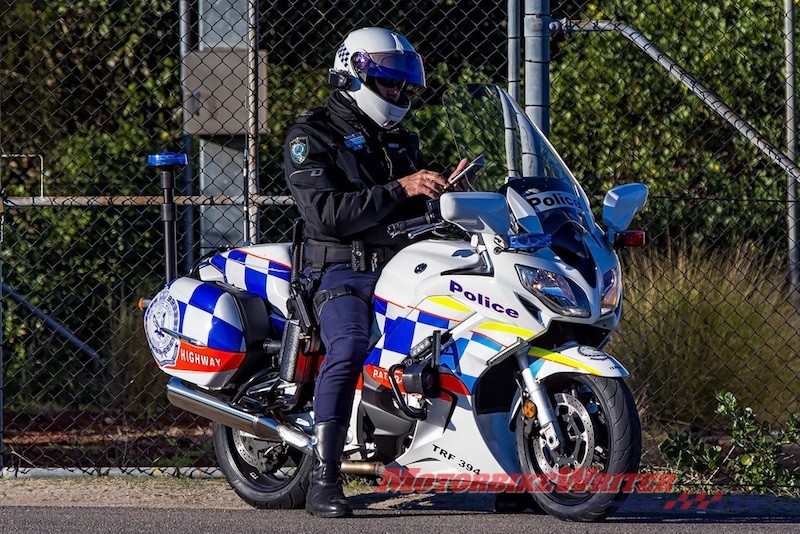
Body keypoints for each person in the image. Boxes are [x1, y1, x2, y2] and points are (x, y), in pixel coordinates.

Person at [283, 27, 467, 518]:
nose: (398, 94)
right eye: (388, 84)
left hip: (406, 266)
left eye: (402, 86)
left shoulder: (400, 140)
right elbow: (326, 214)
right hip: (343, 272)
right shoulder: (311, 136)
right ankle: (325, 476)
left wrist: (446, 193)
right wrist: (404, 189)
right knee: (346, 345)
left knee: (473, 328)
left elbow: (413, 208)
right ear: (354, 74)